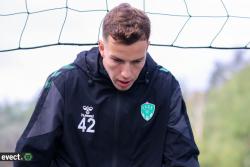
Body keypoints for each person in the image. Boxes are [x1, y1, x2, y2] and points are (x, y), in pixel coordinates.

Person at [15, 3, 200, 167]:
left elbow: (183, 158)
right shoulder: (64, 83)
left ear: (147, 48)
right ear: (102, 48)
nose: (126, 73)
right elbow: (28, 156)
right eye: (117, 60)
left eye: (136, 61)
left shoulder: (165, 87)